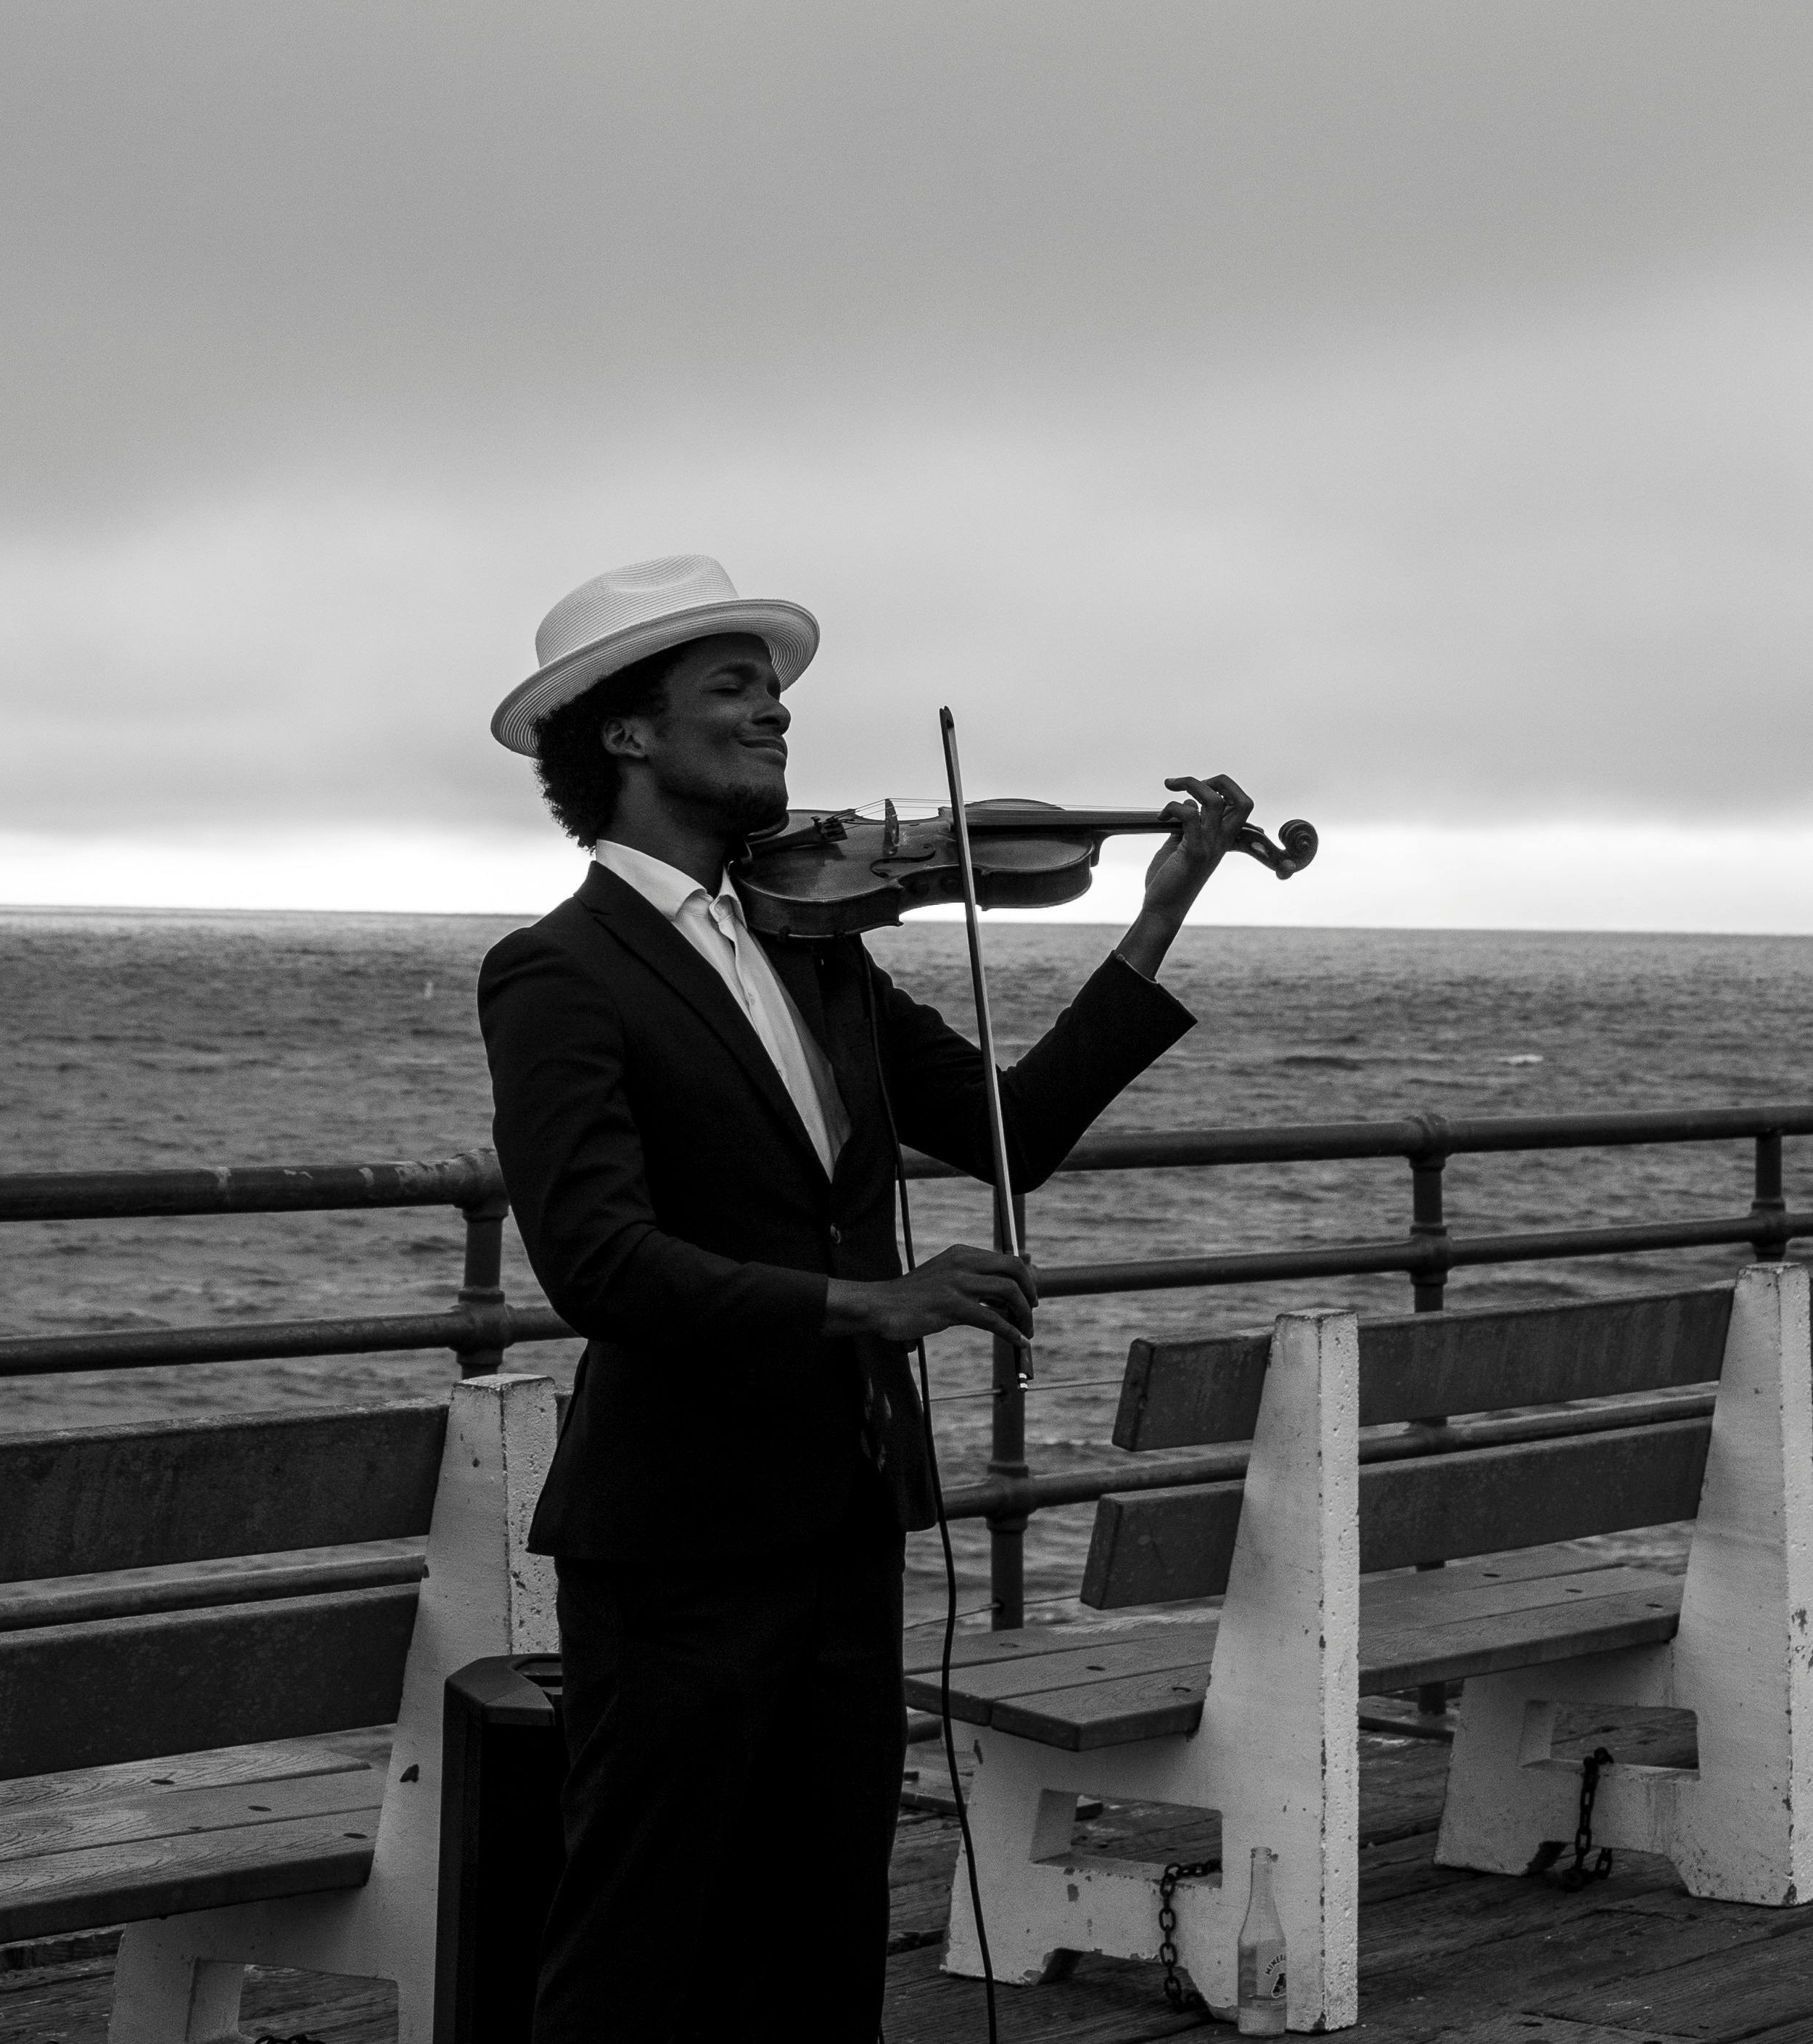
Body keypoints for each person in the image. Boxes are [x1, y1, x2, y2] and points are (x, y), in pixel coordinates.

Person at [476, 551, 1243, 2044]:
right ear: (624, 735)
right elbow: (599, 1264)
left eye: (775, 689)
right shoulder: (557, 974)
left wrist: (1157, 914)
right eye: (736, 686)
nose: (776, 714)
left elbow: (1016, 1128)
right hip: (680, 1540)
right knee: (639, 1943)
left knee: (822, 1931)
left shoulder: (812, 948)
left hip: (843, 1508)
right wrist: (869, 1305)